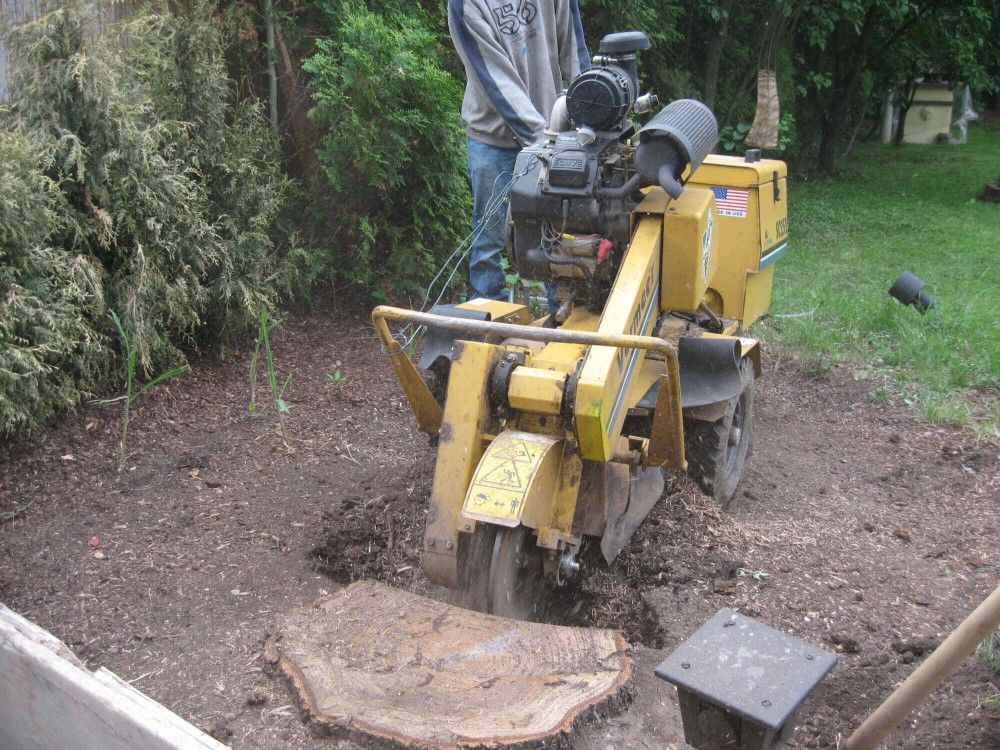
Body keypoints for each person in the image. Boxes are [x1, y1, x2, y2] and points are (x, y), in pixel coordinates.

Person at [448, 0, 590, 306]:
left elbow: (573, 48)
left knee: (558, 232)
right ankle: (487, 319)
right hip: (494, 138)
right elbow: (495, 80)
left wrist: (591, 108)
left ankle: (561, 319)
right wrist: (544, 140)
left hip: (551, 133)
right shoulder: (465, 4)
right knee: (489, 237)